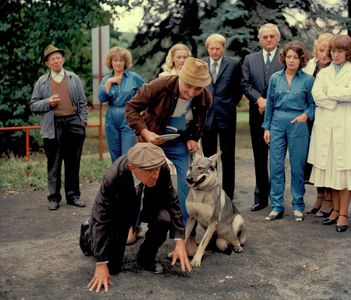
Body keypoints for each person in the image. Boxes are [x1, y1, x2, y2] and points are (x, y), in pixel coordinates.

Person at [125, 57, 212, 255]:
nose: (191, 93)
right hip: (152, 139)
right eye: (188, 87)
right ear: (180, 77)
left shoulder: (205, 97)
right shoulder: (159, 86)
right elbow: (131, 108)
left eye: (197, 89)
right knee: (140, 183)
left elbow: (199, 123)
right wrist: (145, 133)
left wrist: (193, 139)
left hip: (178, 143)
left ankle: (186, 234)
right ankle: (133, 226)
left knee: (188, 184)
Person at [79, 143, 191, 293]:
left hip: (146, 206)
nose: (155, 174)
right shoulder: (113, 175)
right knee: (112, 267)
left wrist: (179, 239)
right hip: (119, 214)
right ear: (133, 168)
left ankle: (146, 258)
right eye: (149, 171)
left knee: (164, 218)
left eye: (157, 168)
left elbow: (172, 201)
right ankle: (87, 234)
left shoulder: (161, 167)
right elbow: (101, 217)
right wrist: (100, 263)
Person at [262, 40, 315, 222]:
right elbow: (269, 104)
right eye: (289, 57)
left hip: (298, 124)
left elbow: (313, 104)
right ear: (284, 58)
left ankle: (298, 205)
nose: (291, 61)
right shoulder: (276, 78)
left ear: (301, 60)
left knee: (298, 166)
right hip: (277, 123)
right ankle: (277, 206)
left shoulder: (308, 80)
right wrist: (266, 127)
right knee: (276, 165)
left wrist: (306, 115)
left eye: (295, 58)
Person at [30, 44, 87, 211]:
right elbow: (33, 105)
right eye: (52, 59)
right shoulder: (41, 81)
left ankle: (73, 196)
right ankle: (54, 198)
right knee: (54, 163)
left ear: (63, 59)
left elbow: (83, 103)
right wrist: (48, 102)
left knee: (73, 163)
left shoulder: (73, 78)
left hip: (73, 123)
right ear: (47, 63)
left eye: (58, 58)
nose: (56, 61)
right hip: (53, 125)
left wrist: (82, 123)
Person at [308, 35, 351, 232]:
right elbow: (317, 96)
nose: (335, 54)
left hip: (344, 126)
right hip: (326, 126)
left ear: (347, 52)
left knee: (343, 171)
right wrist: (337, 96)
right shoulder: (323, 73)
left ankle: (343, 214)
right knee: (330, 171)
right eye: (332, 51)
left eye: (340, 51)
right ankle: (334, 209)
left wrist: (331, 93)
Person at [241, 23, 283, 211]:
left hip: (279, 115)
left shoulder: (285, 58)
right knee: (259, 157)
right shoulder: (250, 59)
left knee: (277, 158)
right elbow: (245, 83)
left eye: (272, 36)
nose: (268, 39)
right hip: (256, 114)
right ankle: (261, 198)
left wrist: (270, 103)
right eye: (264, 36)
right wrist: (258, 100)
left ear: (278, 39)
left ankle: (277, 198)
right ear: (260, 39)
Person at [201, 33, 243, 200]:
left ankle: (228, 194)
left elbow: (238, 89)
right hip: (207, 117)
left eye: (218, 48)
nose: (215, 51)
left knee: (228, 156)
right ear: (207, 48)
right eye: (212, 48)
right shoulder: (202, 64)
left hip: (226, 115)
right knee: (209, 158)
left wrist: (229, 103)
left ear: (223, 48)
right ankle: (211, 190)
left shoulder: (233, 64)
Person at [303, 33, 334, 217]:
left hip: (327, 117)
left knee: (327, 158)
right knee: (314, 160)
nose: (325, 54)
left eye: (328, 51)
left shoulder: (335, 69)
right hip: (310, 118)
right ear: (316, 51)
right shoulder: (309, 67)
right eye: (321, 50)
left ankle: (330, 198)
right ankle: (320, 195)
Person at [98, 47, 145, 163]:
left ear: (125, 62)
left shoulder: (133, 77)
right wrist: (110, 82)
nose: (118, 63)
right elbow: (102, 98)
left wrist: (142, 110)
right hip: (111, 118)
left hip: (128, 117)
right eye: (115, 60)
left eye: (121, 60)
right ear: (111, 62)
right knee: (115, 155)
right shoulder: (106, 79)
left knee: (127, 155)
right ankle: (117, 180)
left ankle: (127, 180)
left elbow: (147, 93)